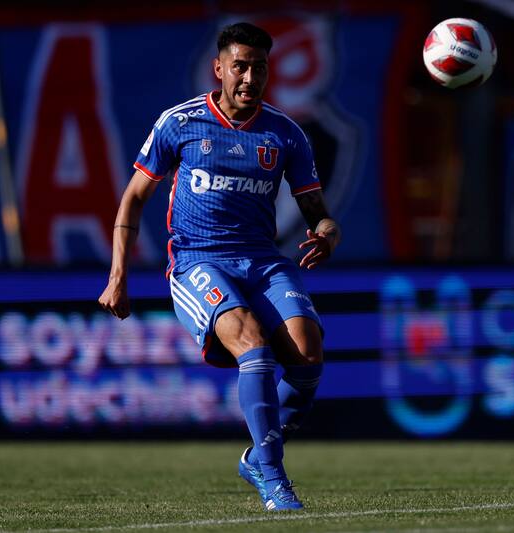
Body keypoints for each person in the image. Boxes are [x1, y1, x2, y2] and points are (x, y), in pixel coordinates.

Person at [98, 22, 341, 511]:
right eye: (241, 66)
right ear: (219, 68)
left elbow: (319, 213)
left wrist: (327, 233)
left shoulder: (286, 134)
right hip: (197, 261)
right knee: (252, 342)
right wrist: (118, 277)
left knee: (308, 356)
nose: (250, 78)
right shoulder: (180, 124)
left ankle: (258, 455)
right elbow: (132, 200)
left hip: (264, 262)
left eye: (260, 68)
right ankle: (274, 480)